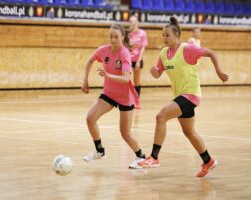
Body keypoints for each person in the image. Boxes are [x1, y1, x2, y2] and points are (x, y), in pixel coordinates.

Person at [138, 17, 229, 177]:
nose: (164, 38)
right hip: (180, 95)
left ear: (176, 35)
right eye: (163, 35)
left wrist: (219, 71)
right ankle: (208, 161)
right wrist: (155, 72)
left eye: (167, 35)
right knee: (189, 132)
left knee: (161, 116)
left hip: (191, 94)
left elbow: (211, 53)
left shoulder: (188, 49)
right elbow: (158, 74)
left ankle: (154, 157)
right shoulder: (164, 53)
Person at [81, 23, 145, 169]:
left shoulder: (124, 54)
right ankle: (99, 151)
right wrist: (85, 80)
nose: (113, 39)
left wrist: (108, 75)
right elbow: (90, 60)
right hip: (109, 94)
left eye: (116, 36)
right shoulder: (103, 50)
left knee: (125, 133)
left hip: (125, 97)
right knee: (90, 118)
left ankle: (140, 156)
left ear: (122, 37)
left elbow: (126, 79)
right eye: (111, 36)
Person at [128, 15, 148, 108]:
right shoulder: (127, 34)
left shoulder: (142, 33)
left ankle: (137, 101)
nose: (133, 23)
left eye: (134, 22)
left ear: (138, 23)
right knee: (128, 81)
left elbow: (143, 48)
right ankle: (129, 100)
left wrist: (139, 61)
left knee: (136, 82)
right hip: (128, 60)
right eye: (131, 22)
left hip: (137, 60)